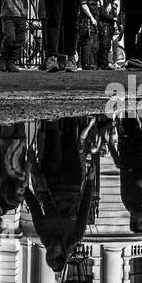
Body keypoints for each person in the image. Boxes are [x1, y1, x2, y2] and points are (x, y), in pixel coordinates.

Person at [26, 117, 100, 273]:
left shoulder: (43, 234)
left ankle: (53, 108)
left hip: (51, 183)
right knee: (70, 139)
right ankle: (71, 111)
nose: (51, 249)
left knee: (52, 140)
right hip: (73, 182)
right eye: (55, 253)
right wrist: (90, 181)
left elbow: (35, 209)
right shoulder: (75, 236)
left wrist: (24, 190)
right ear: (63, 253)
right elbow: (85, 208)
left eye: (49, 253)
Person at [77, 0, 103, 69]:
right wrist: (91, 17)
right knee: (87, 43)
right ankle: (86, 63)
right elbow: (84, 5)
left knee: (94, 44)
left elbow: (101, 8)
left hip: (94, 20)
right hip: (86, 20)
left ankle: (92, 63)